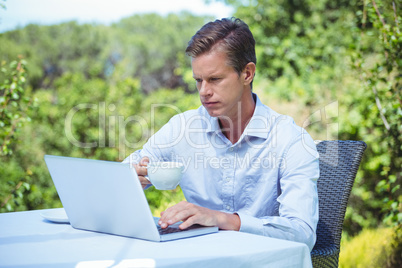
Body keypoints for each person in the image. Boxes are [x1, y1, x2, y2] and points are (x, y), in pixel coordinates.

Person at [124, 17, 319, 251]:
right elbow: (127, 170)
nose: (204, 92)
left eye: (215, 79)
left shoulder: (290, 141)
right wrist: (130, 178)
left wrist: (221, 219)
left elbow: (302, 234)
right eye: (198, 81)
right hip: (197, 259)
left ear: (247, 74)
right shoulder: (182, 128)